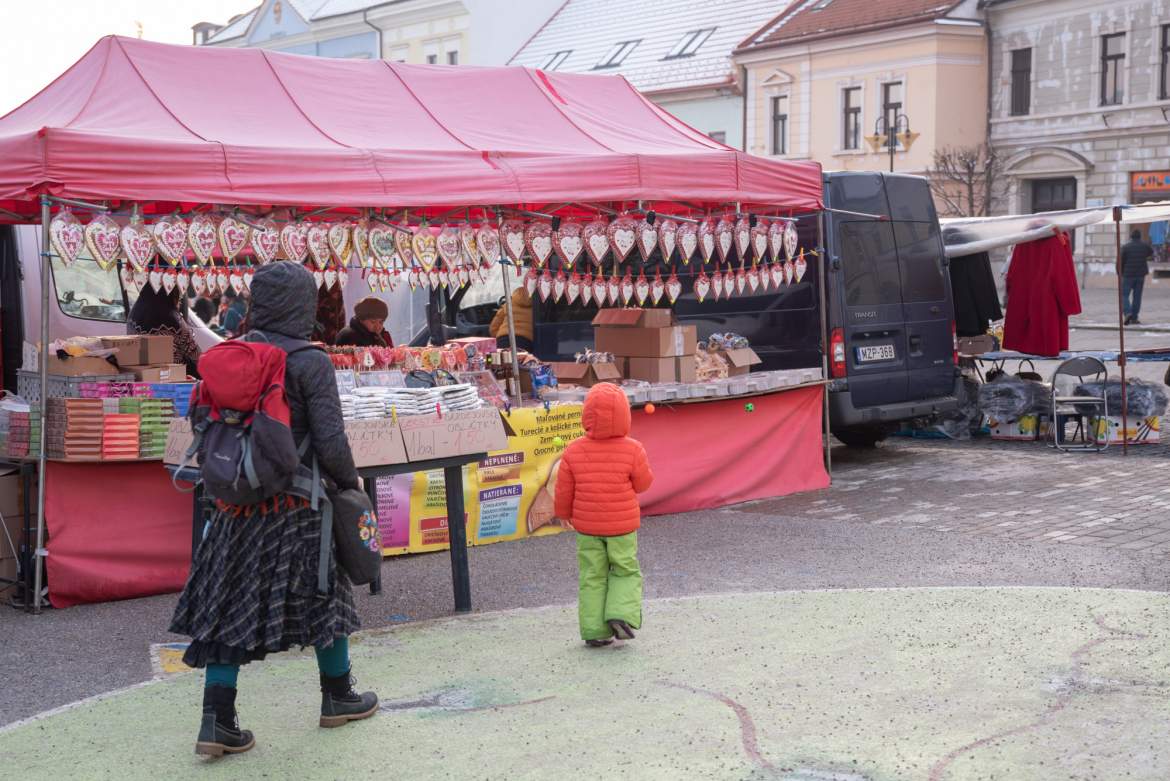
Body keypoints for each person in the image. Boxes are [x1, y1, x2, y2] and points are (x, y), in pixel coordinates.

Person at [169, 261, 377, 757]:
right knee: (325, 597)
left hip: (233, 505)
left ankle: (217, 721)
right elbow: (331, 442)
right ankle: (338, 696)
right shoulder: (310, 361)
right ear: (304, 304)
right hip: (297, 507)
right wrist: (350, 487)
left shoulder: (229, 354)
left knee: (227, 607)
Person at [554, 382, 654, 647]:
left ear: (586, 415)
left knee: (592, 575)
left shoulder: (573, 450)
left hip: (586, 527)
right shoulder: (633, 449)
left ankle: (594, 631)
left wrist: (563, 513)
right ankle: (620, 613)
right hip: (622, 526)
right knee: (624, 570)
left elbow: (564, 488)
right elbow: (643, 484)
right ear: (625, 414)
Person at [127, 284, 201, 377]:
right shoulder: (171, 317)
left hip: (141, 376)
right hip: (172, 378)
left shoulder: (134, 313)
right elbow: (196, 356)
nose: (180, 299)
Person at [1121, 229, 1154, 325]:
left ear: (1131, 237)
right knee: (1137, 296)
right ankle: (1134, 318)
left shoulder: (1126, 247)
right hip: (1140, 275)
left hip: (1128, 274)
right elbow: (1151, 252)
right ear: (1140, 237)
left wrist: (1120, 272)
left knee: (1124, 295)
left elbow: (1121, 260)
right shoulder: (1145, 246)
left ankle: (1127, 313)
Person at [490, 288, 534, 352]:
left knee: (500, 360)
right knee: (521, 360)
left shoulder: (507, 305)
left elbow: (493, 328)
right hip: (525, 341)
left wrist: (501, 335)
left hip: (503, 339)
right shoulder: (538, 306)